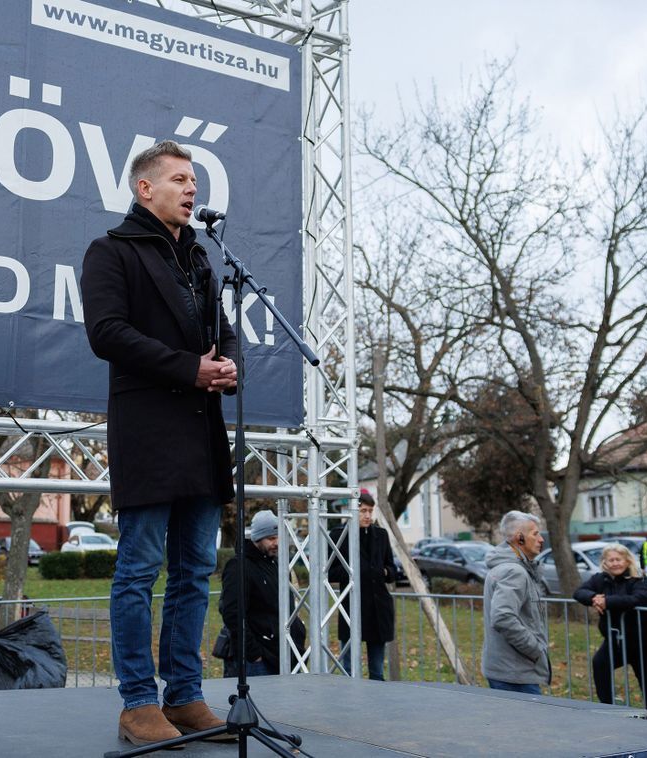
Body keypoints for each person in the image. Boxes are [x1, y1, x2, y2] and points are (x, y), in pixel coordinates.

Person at [80, 139, 239, 747]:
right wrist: (187, 368)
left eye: (194, 179)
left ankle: (186, 695)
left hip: (200, 432)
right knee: (140, 569)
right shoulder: (111, 251)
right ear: (145, 189)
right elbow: (107, 333)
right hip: (148, 430)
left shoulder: (201, 258)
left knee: (197, 570)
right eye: (179, 179)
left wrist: (226, 366)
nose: (191, 189)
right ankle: (138, 703)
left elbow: (224, 332)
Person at [572, 544, 647, 720]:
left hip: (644, 643)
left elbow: (638, 598)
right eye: (610, 560)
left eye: (618, 559)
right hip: (616, 641)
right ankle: (608, 710)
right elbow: (579, 592)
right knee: (600, 664)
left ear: (627, 560)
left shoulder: (638, 578)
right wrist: (593, 598)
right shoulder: (600, 579)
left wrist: (607, 602)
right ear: (605, 563)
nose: (615, 563)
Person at [219, 511, 306, 678]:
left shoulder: (276, 565)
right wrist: (253, 653)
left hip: (281, 655)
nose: (277, 543)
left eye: (278, 537)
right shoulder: (239, 566)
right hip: (257, 661)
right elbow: (232, 613)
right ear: (257, 539)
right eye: (271, 538)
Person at [327, 491, 396, 680]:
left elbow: (391, 569)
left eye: (370, 511)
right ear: (352, 511)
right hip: (352, 608)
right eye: (363, 510)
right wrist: (355, 571)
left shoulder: (380, 535)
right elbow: (329, 571)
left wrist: (383, 572)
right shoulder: (339, 535)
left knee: (377, 671)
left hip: (377, 609)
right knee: (348, 669)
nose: (367, 515)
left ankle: (378, 701)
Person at [481, 510, 550, 694]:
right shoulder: (514, 571)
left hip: (510, 670)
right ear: (520, 538)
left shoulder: (510, 567)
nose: (541, 539)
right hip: (515, 673)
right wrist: (535, 650)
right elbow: (503, 617)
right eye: (535, 534)